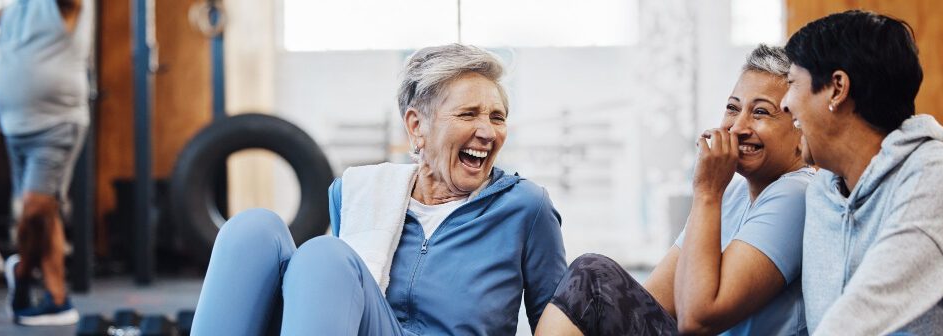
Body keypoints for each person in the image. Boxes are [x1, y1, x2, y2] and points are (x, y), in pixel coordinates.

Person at [191, 44, 567, 335]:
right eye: (469, 114)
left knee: (325, 255)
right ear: (417, 126)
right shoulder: (357, 194)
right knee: (252, 230)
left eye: (497, 117)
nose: (488, 131)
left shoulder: (526, 208)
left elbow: (557, 326)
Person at [536, 45, 812, 336]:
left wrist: (706, 190)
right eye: (732, 108)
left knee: (593, 277)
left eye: (760, 112)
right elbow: (654, 302)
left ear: (801, 131)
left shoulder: (797, 194)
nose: (738, 126)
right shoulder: (734, 193)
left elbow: (696, 319)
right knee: (592, 285)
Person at [782, 10, 943, 335]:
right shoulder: (823, 189)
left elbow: (859, 319)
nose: (784, 104)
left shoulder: (942, 178)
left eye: (791, 84)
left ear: (837, 88)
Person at [0, 0, 91, 326]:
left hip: (56, 124)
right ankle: (56, 298)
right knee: (45, 214)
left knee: (36, 207)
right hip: (15, 127)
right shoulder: (15, 9)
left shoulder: (65, 6)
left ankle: (21, 273)